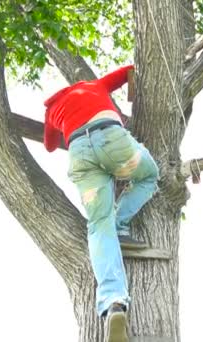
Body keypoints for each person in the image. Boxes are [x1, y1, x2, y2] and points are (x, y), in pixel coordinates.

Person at [43, 65, 159, 342]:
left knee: (98, 225)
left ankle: (113, 303)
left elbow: (49, 145)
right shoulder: (93, 86)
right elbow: (129, 71)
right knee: (149, 176)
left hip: (79, 153)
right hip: (111, 138)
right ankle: (121, 222)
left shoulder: (50, 111)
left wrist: (58, 122)